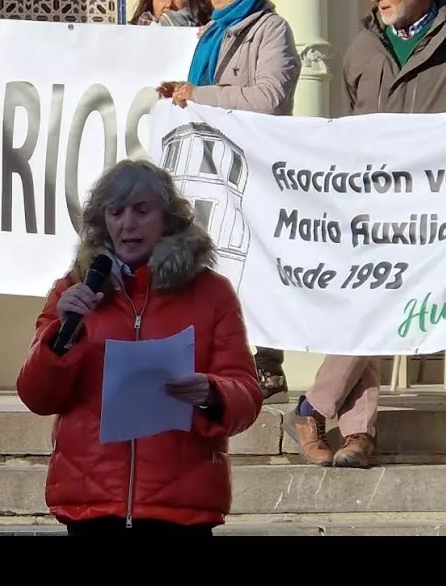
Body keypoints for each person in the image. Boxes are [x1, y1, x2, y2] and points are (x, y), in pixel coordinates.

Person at [287, 0, 446, 469]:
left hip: (438, 207)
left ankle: (315, 404)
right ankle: (358, 433)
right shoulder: (364, 46)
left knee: (386, 302)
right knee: (365, 301)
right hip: (371, 201)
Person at [16, 159, 262, 535]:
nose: (127, 223)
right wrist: (60, 338)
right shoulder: (74, 291)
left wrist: (212, 393)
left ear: (168, 219)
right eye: (115, 212)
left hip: (181, 508)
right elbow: (36, 397)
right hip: (91, 505)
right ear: (103, 222)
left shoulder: (212, 293)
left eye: (141, 210)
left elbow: (246, 392)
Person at [156, 0, 301, 404]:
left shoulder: (270, 29)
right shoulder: (206, 33)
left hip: (252, 164)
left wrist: (199, 94)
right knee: (199, 258)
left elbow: (269, 96)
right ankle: (202, 356)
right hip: (199, 160)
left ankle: (267, 365)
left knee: (253, 259)